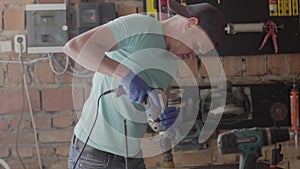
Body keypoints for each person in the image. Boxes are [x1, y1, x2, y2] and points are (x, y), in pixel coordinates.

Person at [63, 0, 225, 168]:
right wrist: (125, 75)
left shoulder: (174, 57)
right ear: (190, 24)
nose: (193, 55)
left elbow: (158, 95)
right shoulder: (141, 26)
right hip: (95, 156)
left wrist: (162, 115)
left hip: (132, 156)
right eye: (196, 47)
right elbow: (75, 47)